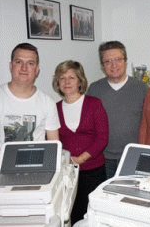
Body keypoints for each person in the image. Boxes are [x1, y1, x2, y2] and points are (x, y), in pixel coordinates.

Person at [0, 43, 60, 187]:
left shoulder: (47, 102)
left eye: (30, 63)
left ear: (36, 69)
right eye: (19, 62)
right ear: (11, 66)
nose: (24, 68)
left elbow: (54, 146)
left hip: (37, 180)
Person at [52, 60, 108, 225]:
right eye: (62, 78)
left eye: (72, 77)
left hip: (93, 171)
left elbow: (103, 137)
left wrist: (81, 158)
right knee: (71, 213)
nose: (67, 82)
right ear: (58, 83)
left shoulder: (94, 104)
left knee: (93, 216)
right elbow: (51, 140)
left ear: (80, 81)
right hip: (66, 173)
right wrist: (65, 160)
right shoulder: (54, 108)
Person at [87, 41, 149, 179]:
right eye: (108, 61)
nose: (114, 65)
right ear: (102, 66)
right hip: (103, 158)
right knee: (106, 198)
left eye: (118, 60)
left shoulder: (142, 88)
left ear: (126, 61)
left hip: (134, 157)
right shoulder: (94, 89)